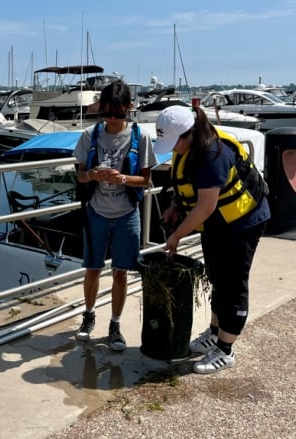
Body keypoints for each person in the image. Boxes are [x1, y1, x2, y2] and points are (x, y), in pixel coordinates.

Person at [154, 105, 270, 374]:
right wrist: (175, 205)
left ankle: (226, 350)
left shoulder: (213, 155)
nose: (173, 148)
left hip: (243, 222)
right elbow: (186, 187)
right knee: (217, 277)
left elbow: (205, 206)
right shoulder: (188, 147)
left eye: (174, 142)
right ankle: (215, 333)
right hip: (218, 223)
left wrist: (176, 236)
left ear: (189, 134)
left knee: (233, 285)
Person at [73, 80, 157, 351]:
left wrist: (122, 178)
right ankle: (88, 316)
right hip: (96, 212)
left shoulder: (139, 136)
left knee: (121, 272)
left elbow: (145, 180)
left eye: (118, 114)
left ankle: (116, 324)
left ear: (129, 109)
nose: (111, 119)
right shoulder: (89, 135)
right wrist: (93, 175)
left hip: (126, 214)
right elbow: (80, 174)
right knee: (92, 268)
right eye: (106, 114)